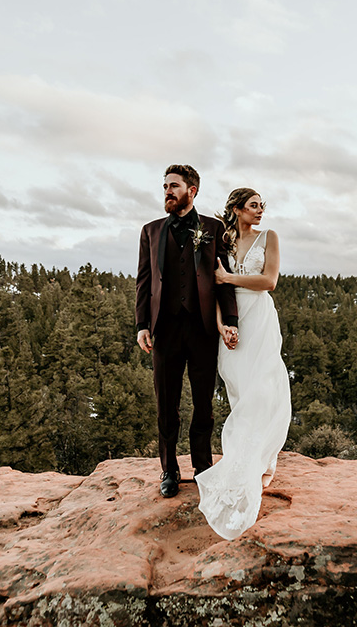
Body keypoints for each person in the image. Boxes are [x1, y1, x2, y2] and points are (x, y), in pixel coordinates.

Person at [135, 165, 238, 498]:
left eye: (174, 186)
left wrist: (231, 320)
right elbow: (144, 281)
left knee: (203, 405)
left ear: (192, 190)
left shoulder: (213, 228)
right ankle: (169, 469)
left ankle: (203, 467)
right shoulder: (150, 231)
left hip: (202, 328)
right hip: (164, 331)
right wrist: (141, 325)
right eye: (165, 185)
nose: (167, 191)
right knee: (167, 404)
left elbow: (223, 278)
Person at [196, 187, 292, 540]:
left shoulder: (269, 237)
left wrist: (230, 278)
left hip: (260, 317)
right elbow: (214, 288)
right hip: (233, 319)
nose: (260, 211)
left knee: (262, 387)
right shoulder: (224, 239)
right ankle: (249, 456)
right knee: (238, 387)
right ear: (237, 209)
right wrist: (223, 325)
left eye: (262, 206)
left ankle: (261, 459)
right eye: (253, 206)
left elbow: (269, 281)